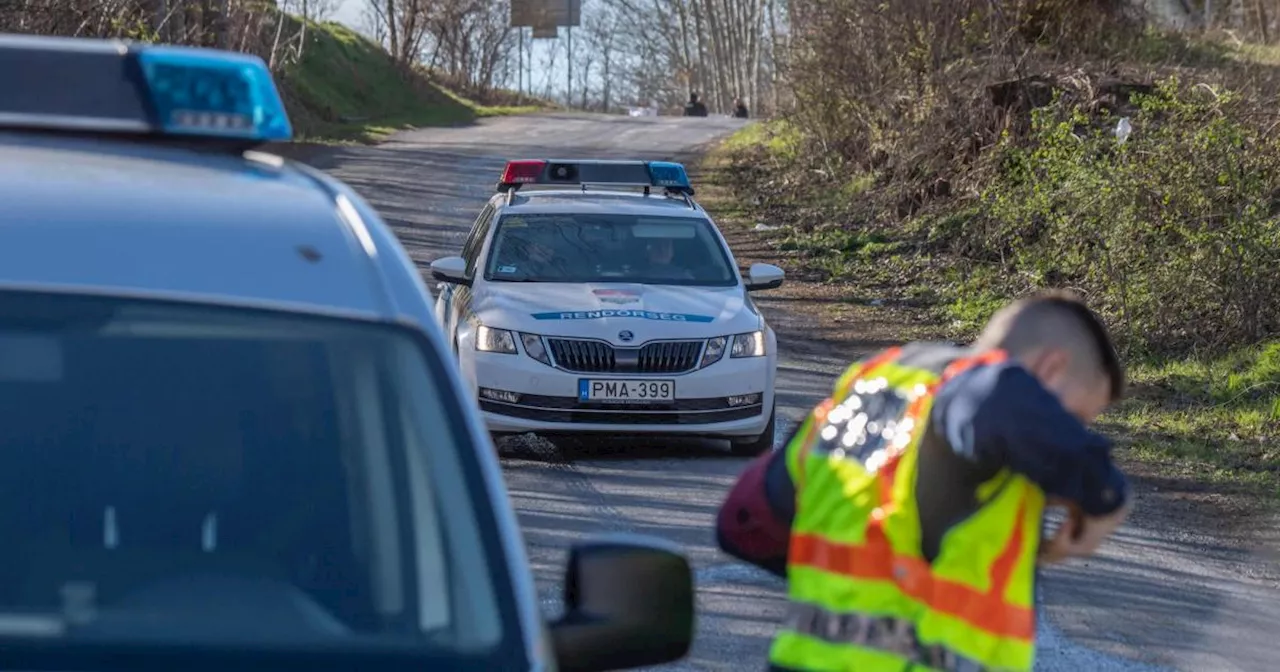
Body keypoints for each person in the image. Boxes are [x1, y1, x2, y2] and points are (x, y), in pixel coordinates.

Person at [715, 289, 1133, 672]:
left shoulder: (871, 384)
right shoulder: (982, 389)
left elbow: (743, 523)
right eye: (1076, 420)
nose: (1073, 434)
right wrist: (1106, 499)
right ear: (1049, 369)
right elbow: (998, 400)